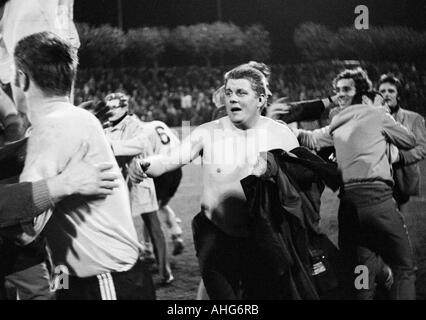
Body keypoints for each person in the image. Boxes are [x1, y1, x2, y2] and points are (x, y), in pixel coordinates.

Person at [130, 65, 300, 299]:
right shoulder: (207, 132)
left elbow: (300, 186)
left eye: (241, 93)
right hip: (215, 237)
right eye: (229, 93)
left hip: (260, 239)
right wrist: (144, 165)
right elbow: (171, 159)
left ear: (260, 99)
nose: (232, 99)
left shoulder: (281, 135)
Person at [8, 31, 155, 300]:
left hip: (104, 282)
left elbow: (22, 227)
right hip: (78, 275)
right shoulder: (70, 120)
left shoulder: (52, 127)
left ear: (22, 78)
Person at [293, 68, 417, 300]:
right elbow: (408, 140)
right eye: (338, 90)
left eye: (345, 89)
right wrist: (384, 116)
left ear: (359, 91)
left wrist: (284, 127)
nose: (340, 94)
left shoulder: (337, 121)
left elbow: (310, 138)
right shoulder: (377, 114)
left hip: (349, 205)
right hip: (378, 200)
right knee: (404, 267)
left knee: (363, 267)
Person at [103, 92, 174, 285]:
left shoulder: (136, 124)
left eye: (115, 107)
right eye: (108, 107)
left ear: (125, 108)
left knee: (153, 224)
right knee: (119, 227)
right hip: (118, 183)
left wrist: (109, 146)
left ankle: (165, 271)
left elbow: (139, 145)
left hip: (140, 181)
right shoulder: (105, 127)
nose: (110, 111)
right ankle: (127, 267)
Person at [378, 73, 426, 212]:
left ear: (398, 95)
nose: (386, 94)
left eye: (391, 91)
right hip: (377, 178)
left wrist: (401, 157)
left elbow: (422, 148)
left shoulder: (414, 118)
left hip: (401, 178)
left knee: (396, 221)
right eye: (382, 91)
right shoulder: (371, 118)